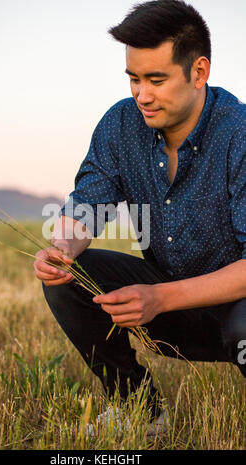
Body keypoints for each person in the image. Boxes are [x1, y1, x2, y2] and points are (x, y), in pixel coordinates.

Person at [34, 0, 246, 436]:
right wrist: (62, 250)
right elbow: (86, 204)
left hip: (235, 310)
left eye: (156, 79)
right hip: (173, 309)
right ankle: (142, 414)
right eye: (134, 78)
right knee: (72, 275)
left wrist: (160, 298)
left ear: (199, 72)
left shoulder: (239, 134)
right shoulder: (120, 125)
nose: (142, 95)